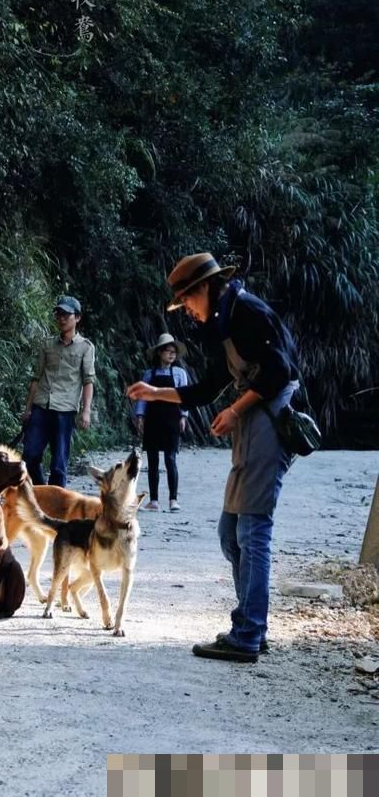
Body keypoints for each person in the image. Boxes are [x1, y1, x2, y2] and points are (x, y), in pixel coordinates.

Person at [128, 252, 299, 663]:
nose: (188, 311)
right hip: (251, 427)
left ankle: (248, 634)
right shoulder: (225, 322)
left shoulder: (248, 313)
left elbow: (281, 371)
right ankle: (251, 625)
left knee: (252, 532)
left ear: (203, 289)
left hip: (273, 423)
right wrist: (154, 394)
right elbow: (206, 390)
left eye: (188, 302)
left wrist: (236, 409)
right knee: (230, 533)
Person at [22, 295, 95, 488]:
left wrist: (85, 410)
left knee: (58, 464)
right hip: (41, 406)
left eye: (66, 315)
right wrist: (28, 409)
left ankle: (57, 507)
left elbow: (88, 380)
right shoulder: (47, 344)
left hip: (65, 410)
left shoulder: (86, 347)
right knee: (29, 456)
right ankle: (41, 493)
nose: (61, 319)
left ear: (77, 318)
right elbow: (36, 378)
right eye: (59, 314)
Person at [134, 333, 189, 512]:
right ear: (159, 353)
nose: (171, 355)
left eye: (174, 352)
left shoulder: (180, 374)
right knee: (153, 461)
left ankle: (173, 499)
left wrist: (183, 416)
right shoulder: (149, 374)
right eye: (168, 351)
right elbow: (142, 398)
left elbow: (184, 397)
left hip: (172, 419)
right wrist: (140, 416)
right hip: (153, 419)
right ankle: (154, 501)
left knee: (170, 459)